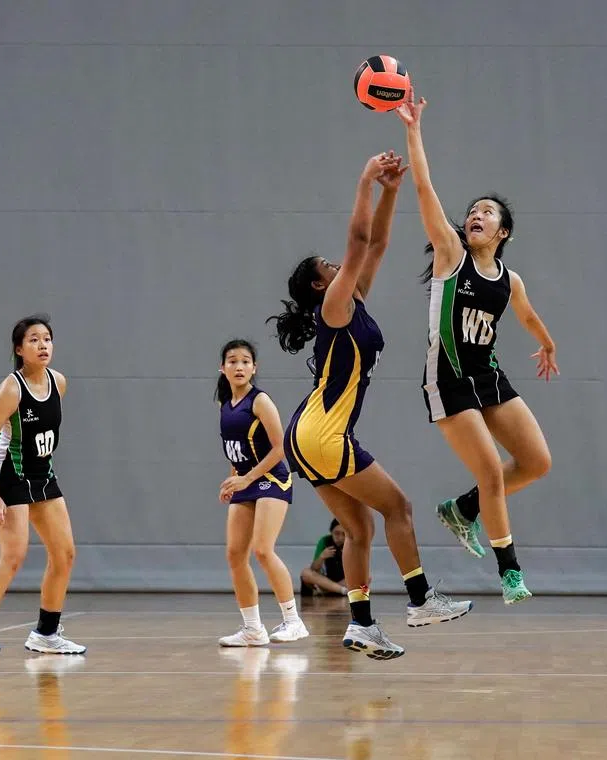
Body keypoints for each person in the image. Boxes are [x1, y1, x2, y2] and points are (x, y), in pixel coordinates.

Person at [269, 151, 472, 661]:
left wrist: (392, 190)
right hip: (321, 432)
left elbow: (376, 243)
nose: (341, 266)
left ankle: (360, 623)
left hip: (307, 433)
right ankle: (422, 599)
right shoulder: (333, 305)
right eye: (330, 268)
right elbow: (358, 242)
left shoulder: (351, 296)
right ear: (320, 284)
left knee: (359, 528)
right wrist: (363, 180)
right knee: (398, 507)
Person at [396, 90, 558, 605]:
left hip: (488, 378)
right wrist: (413, 128)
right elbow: (423, 187)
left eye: (486, 212)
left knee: (536, 463)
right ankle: (510, 572)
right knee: (491, 470)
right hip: (446, 379)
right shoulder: (450, 255)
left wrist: (548, 344)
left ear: (502, 231)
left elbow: (528, 317)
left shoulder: (509, 279)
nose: (475, 215)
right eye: (472, 210)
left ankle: (463, 509)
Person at [0, 315, 85, 658]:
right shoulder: (11, 389)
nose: (42, 345)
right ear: (19, 348)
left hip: (44, 476)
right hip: (11, 476)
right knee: (13, 555)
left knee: (65, 553)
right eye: (33, 340)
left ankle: (46, 633)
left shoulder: (59, 382)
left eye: (47, 339)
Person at [216, 338, 309, 646]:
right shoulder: (225, 405)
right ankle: (253, 629)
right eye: (232, 361)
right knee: (234, 555)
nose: (239, 366)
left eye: (245, 361)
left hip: (272, 478)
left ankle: (293, 621)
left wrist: (247, 479)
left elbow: (281, 447)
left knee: (263, 549)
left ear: (254, 368)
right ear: (223, 368)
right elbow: (237, 452)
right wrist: (233, 481)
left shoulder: (260, 401)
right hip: (245, 480)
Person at [300, 519, 348, 596]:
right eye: (337, 533)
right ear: (331, 532)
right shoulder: (324, 541)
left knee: (366, 577)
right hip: (323, 580)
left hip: (343, 581)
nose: (340, 538)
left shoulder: (351, 543)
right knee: (306, 573)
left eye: (344, 534)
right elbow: (314, 568)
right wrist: (322, 557)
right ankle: (340, 590)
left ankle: (329, 589)